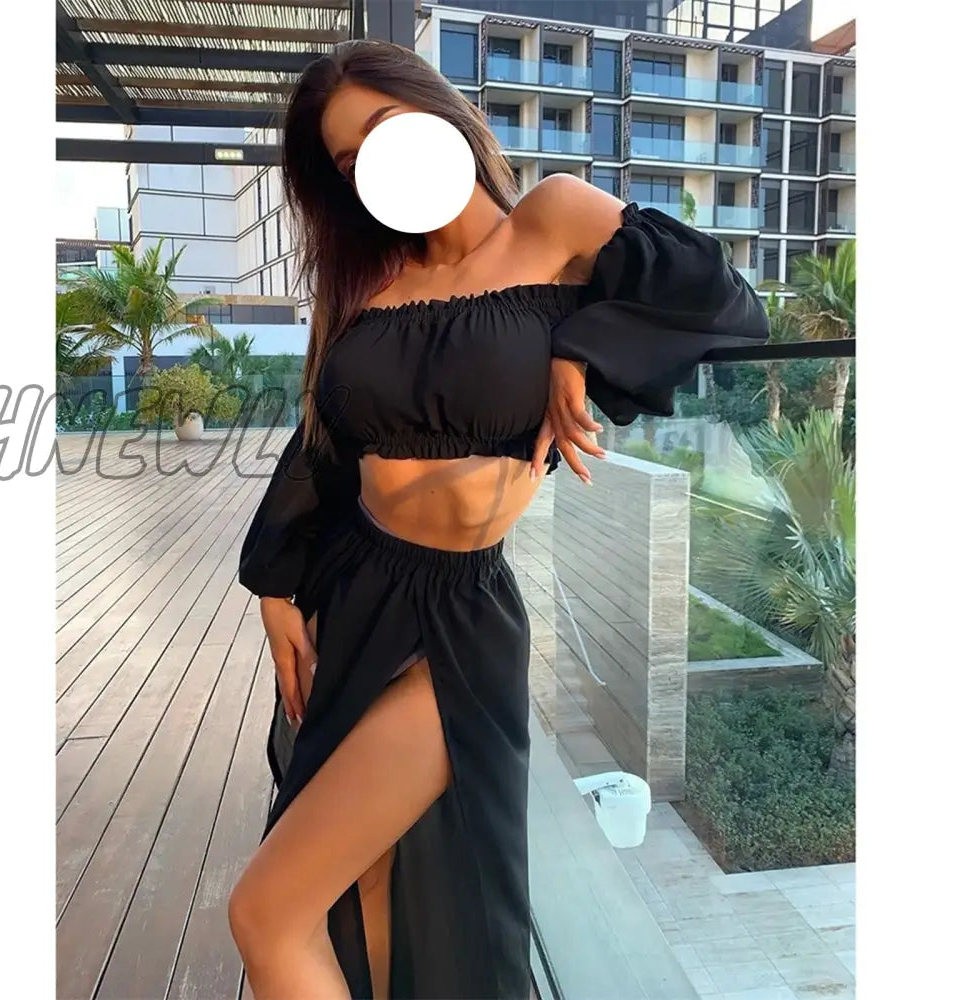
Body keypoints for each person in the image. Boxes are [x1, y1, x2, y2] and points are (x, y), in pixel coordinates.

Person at [230, 39, 768, 1000]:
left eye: (386, 129)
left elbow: (717, 296)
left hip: (455, 614)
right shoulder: (369, 283)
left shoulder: (551, 219)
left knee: (266, 913)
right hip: (351, 590)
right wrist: (274, 584)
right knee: (364, 885)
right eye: (350, 162)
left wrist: (580, 345)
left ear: (439, 114)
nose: (376, 165)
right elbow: (323, 442)